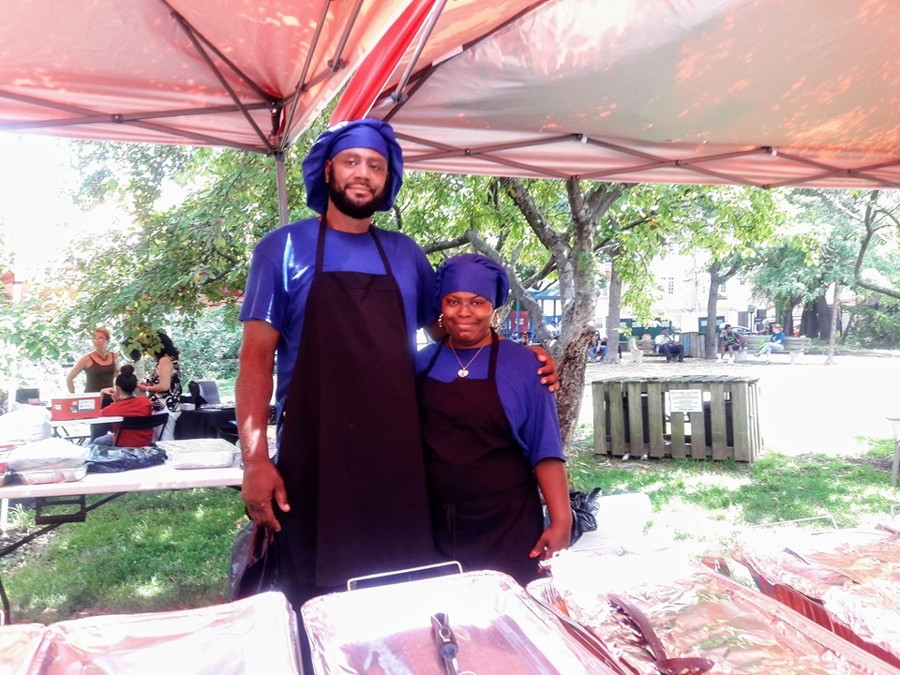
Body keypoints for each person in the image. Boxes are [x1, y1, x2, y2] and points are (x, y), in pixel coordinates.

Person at [236, 119, 557, 664]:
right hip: (316, 458)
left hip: (400, 458)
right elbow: (254, 359)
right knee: (316, 600)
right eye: (351, 162)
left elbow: (454, 330)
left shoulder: (405, 255)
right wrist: (255, 460)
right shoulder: (282, 250)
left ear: (389, 178)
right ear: (328, 171)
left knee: (401, 597)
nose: (363, 174)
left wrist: (520, 357)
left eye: (376, 165)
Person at [416, 254, 572, 585]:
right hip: (433, 524)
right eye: (453, 301)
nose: (464, 312)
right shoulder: (420, 364)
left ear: (493, 308)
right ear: (441, 306)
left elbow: (545, 447)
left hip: (508, 522)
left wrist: (561, 520)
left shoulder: (526, 365)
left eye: (477, 302)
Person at [136, 330, 182, 440]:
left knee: (165, 441)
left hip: (165, 406)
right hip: (166, 406)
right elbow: (167, 381)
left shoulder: (164, 361)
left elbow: (164, 386)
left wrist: (146, 388)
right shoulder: (171, 359)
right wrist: (150, 384)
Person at [94, 365, 154, 446]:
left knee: (97, 441)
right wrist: (117, 402)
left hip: (124, 443)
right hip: (145, 442)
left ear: (118, 389)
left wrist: (101, 393)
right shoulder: (145, 401)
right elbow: (131, 408)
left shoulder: (114, 408)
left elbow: (95, 414)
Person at [66, 327, 119, 398]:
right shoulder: (86, 359)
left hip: (110, 397)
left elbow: (117, 374)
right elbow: (69, 378)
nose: (97, 341)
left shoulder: (114, 356)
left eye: (100, 338)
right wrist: (73, 397)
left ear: (107, 341)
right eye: (95, 338)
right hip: (91, 398)